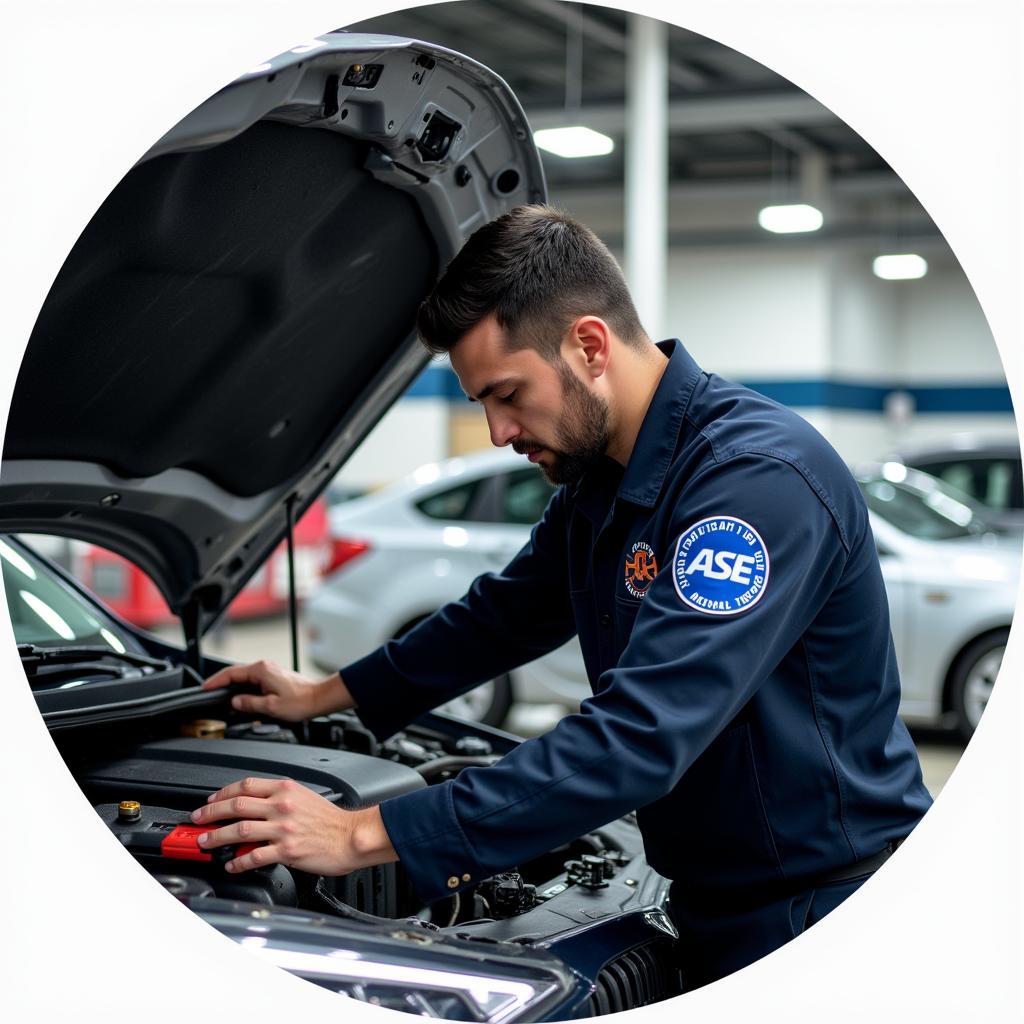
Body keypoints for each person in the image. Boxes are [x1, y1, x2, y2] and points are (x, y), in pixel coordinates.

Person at [194, 204, 933, 989]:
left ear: (588, 345)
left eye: (507, 393)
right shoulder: (601, 487)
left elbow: (638, 737)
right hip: (714, 901)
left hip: (819, 909)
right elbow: (499, 618)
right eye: (483, 402)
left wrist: (361, 835)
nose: (497, 432)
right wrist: (324, 696)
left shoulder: (752, 484)